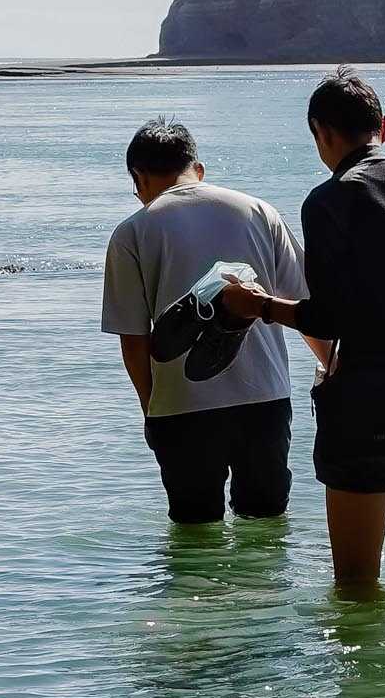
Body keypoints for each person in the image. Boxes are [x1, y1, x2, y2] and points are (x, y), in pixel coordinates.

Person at [222, 69, 385, 589]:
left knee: (356, 588)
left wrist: (260, 305)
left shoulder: (328, 202)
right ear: (382, 127)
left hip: (363, 413)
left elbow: (327, 318)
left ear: (321, 133)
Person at [100, 118, 327, 525]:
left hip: (182, 406)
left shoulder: (132, 232)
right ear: (197, 169)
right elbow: (306, 307)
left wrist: (152, 410)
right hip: (265, 399)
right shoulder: (259, 211)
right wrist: (331, 367)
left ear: (139, 176)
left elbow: (134, 340)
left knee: (194, 533)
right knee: (266, 527)